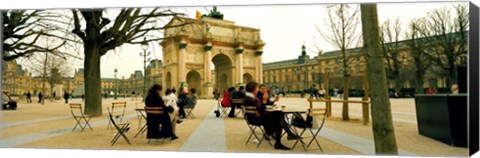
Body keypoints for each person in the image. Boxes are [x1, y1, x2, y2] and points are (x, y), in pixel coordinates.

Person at [243, 81, 301, 150]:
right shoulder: (250, 98)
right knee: (279, 115)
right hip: (256, 120)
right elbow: (261, 110)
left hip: (256, 118)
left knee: (278, 117)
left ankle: (278, 137)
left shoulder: (249, 97)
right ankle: (279, 137)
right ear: (253, 89)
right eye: (257, 88)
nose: (258, 89)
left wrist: (265, 104)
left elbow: (260, 109)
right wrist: (264, 100)